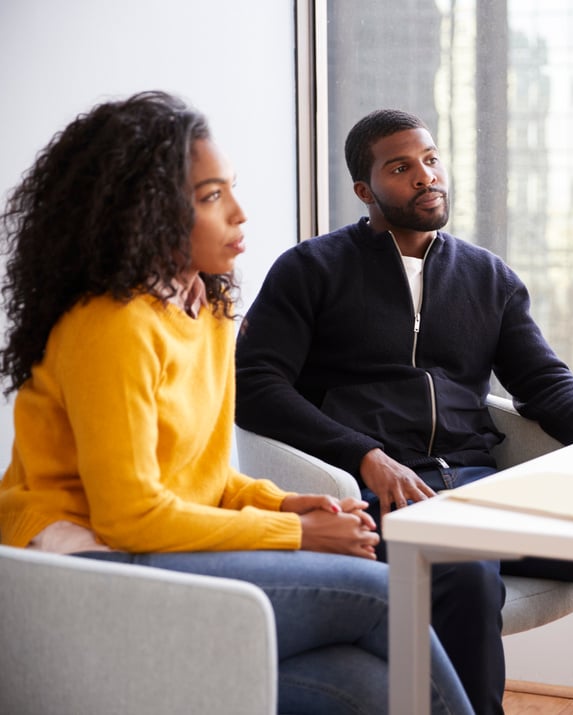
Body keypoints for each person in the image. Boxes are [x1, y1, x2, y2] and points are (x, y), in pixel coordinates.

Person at [0, 91, 473, 715]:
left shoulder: (205, 309)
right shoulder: (111, 326)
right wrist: (296, 532)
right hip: (85, 570)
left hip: (158, 550)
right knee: (382, 595)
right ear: (145, 212)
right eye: (211, 197)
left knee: (364, 685)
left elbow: (203, 476)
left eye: (231, 189)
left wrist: (282, 498)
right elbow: (128, 515)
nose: (241, 214)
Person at [234, 108, 573, 715]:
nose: (425, 176)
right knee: (470, 572)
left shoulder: (485, 275)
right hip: (375, 495)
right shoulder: (311, 270)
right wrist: (364, 456)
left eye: (430, 159)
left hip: (481, 486)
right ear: (366, 192)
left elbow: (545, 382)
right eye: (401, 167)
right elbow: (254, 384)